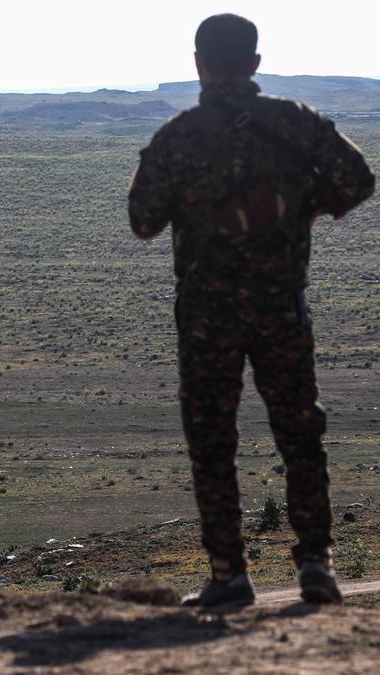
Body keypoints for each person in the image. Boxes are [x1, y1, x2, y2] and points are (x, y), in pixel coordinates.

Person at [128, 14, 374, 608]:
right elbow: (358, 181)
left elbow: (143, 221)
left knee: (212, 441)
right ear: (256, 64)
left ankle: (227, 575)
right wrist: (304, 207)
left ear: (198, 64)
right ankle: (316, 563)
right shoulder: (296, 123)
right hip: (280, 307)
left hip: (209, 314)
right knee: (300, 434)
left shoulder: (177, 137)